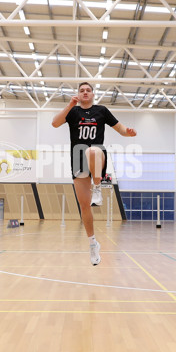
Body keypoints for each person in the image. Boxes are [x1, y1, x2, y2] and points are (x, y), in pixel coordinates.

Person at [52, 82, 136, 265]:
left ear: (93, 94)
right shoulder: (73, 112)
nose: (84, 92)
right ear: (78, 94)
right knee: (84, 207)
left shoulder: (102, 110)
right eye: (81, 90)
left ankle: (97, 188)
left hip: (97, 154)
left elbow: (120, 129)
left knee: (92, 150)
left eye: (88, 90)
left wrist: (128, 133)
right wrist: (69, 105)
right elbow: (55, 123)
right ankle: (93, 244)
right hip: (77, 157)